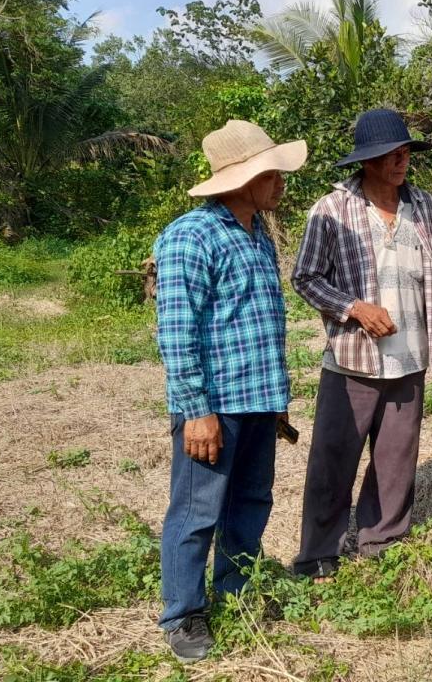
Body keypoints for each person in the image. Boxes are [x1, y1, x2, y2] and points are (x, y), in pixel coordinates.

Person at [154, 120, 307, 663]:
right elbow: (177, 331)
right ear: (243, 179)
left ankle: (235, 593)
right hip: (214, 407)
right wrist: (196, 411)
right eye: (271, 172)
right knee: (196, 512)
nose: (281, 180)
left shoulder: (257, 233)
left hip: (260, 401)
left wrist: (278, 403)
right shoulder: (191, 235)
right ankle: (183, 613)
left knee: (250, 503)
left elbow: (258, 327)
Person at [290, 108, 432, 581]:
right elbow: (305, 278)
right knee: (333, 461)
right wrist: (355, 308)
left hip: (409, 358)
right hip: (352, 360)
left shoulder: (424, 207)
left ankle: (381, 541)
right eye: (390, 154)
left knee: (395, 462)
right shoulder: (333, 210)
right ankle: (318, 552)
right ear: (366, 161)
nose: (401, 160)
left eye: (405, 151)